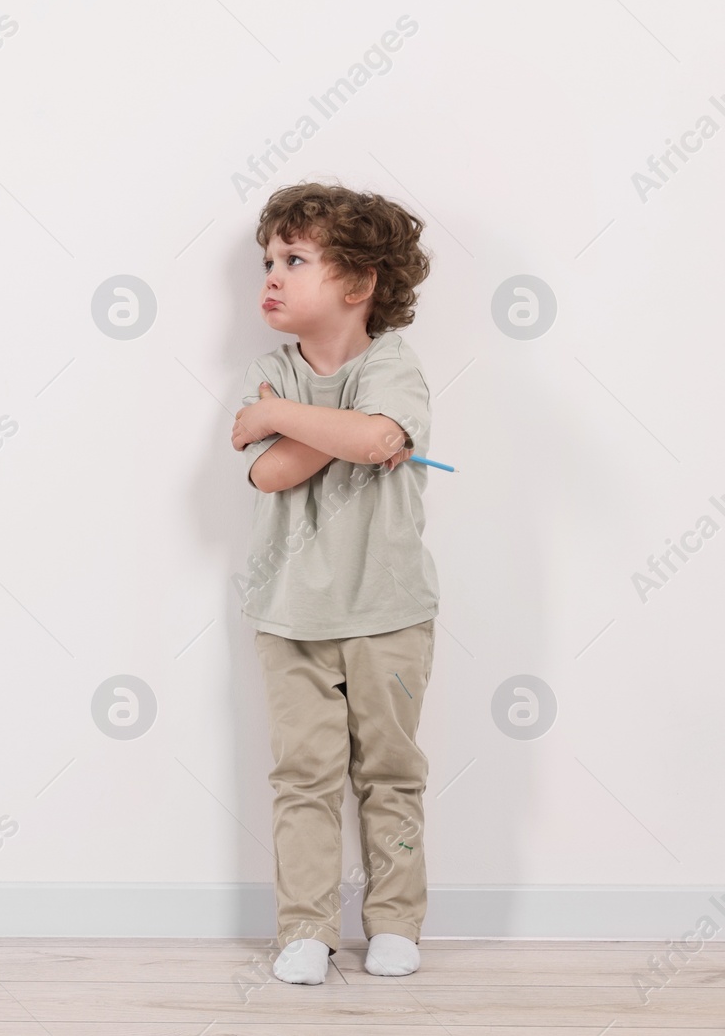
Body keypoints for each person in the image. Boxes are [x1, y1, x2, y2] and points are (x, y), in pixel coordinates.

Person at [230, 180, 439, 984]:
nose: (272, 276)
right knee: (304, 777)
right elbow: (273, 474)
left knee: (390, 770)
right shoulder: (270, 366)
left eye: (295, 258)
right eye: (268, 260)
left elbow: (383, 432)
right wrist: (344, 433)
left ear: (358, 284)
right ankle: (306, 928)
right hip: (290, 616)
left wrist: (284, 415)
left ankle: (395, 921)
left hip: (388, 612)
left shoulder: (394, 363)